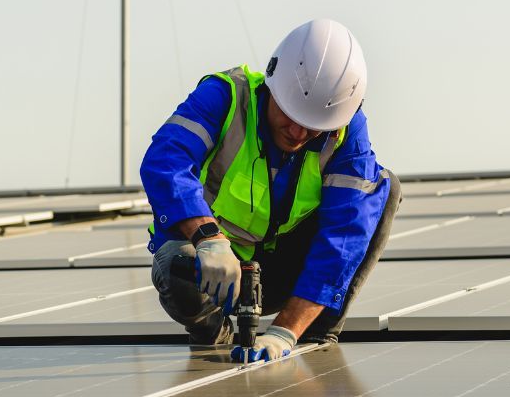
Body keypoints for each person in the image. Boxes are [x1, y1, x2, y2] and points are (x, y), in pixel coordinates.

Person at [141, 19, 401, 362]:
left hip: (287, 275)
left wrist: (284, 331)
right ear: (273, 87)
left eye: (312, 127)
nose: (296, 131)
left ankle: (313, 330)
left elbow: (346, 234)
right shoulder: (226, 97)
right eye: (290, 114)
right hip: (213, 268)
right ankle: (212, 333)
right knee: (177, 263)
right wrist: (207, 236)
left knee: (382, 190)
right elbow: (165, 161)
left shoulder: (345, 134)